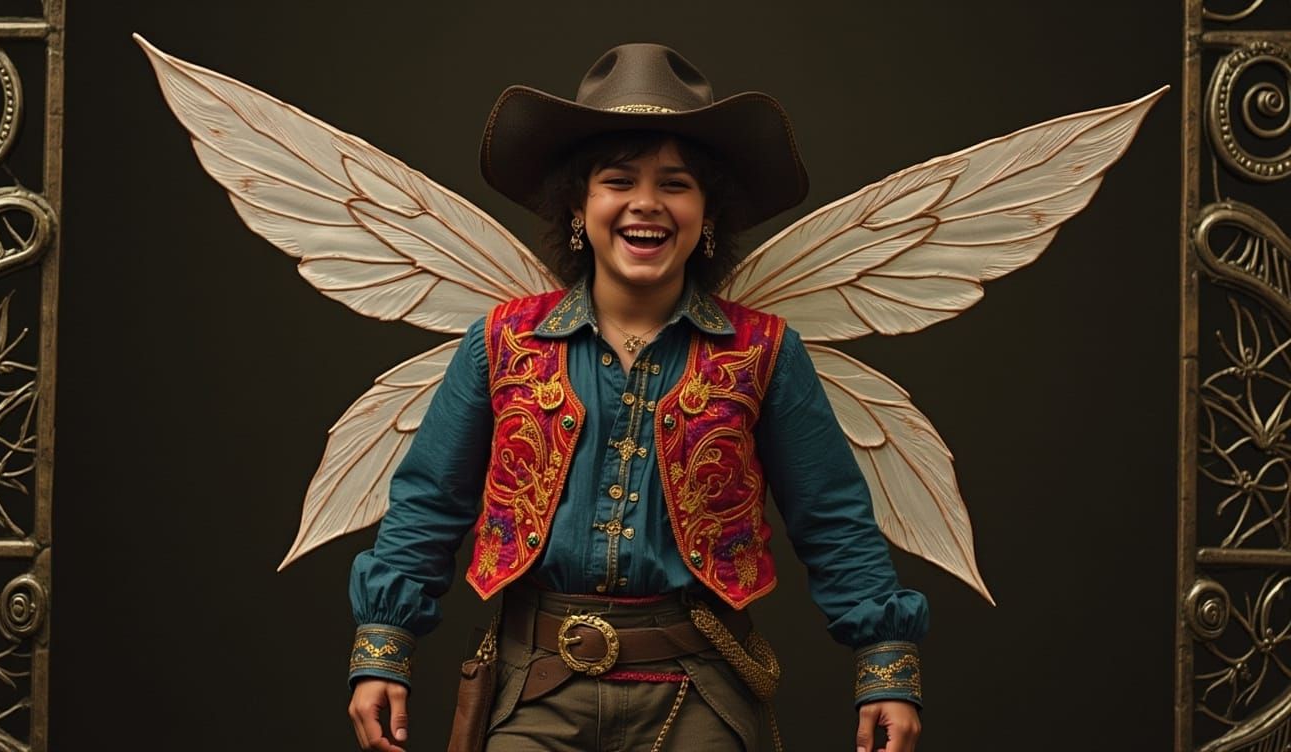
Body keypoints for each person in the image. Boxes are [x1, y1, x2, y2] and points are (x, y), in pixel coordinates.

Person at [345, 43, 927, 752]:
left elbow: (832, 517)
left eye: (676, 184)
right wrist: (384, 647)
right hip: (535, 687)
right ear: (578, 207)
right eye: (618, 180)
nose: (646, 203)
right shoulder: (499, 342)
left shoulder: (766, 352)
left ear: (707, 212)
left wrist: (884, 668)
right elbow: (431, 501)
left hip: (701, 688)